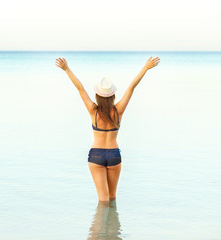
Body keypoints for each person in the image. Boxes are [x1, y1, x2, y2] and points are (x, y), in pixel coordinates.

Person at [55, 56, 160, 202]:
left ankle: (99, 224)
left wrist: (66, 69)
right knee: (112, 198)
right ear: (113, 95)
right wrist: (145, 68)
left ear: (98, 95)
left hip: (96, 154)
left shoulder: (93, 111)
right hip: (113, 155)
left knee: (102, 200)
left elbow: (80, 89)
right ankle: (113, 225)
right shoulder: (119, 110)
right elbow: (131, 88)